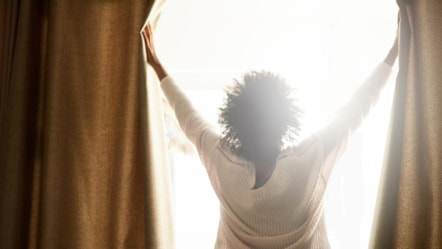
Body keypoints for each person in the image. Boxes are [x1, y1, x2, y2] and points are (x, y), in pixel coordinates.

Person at [142, 22, 398, 248]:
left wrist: (158, 67)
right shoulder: (309, 159)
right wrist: (393, 54)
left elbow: (188, 117)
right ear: (284, 122)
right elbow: (356, 110)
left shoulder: (223, 160)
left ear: (236, 124)